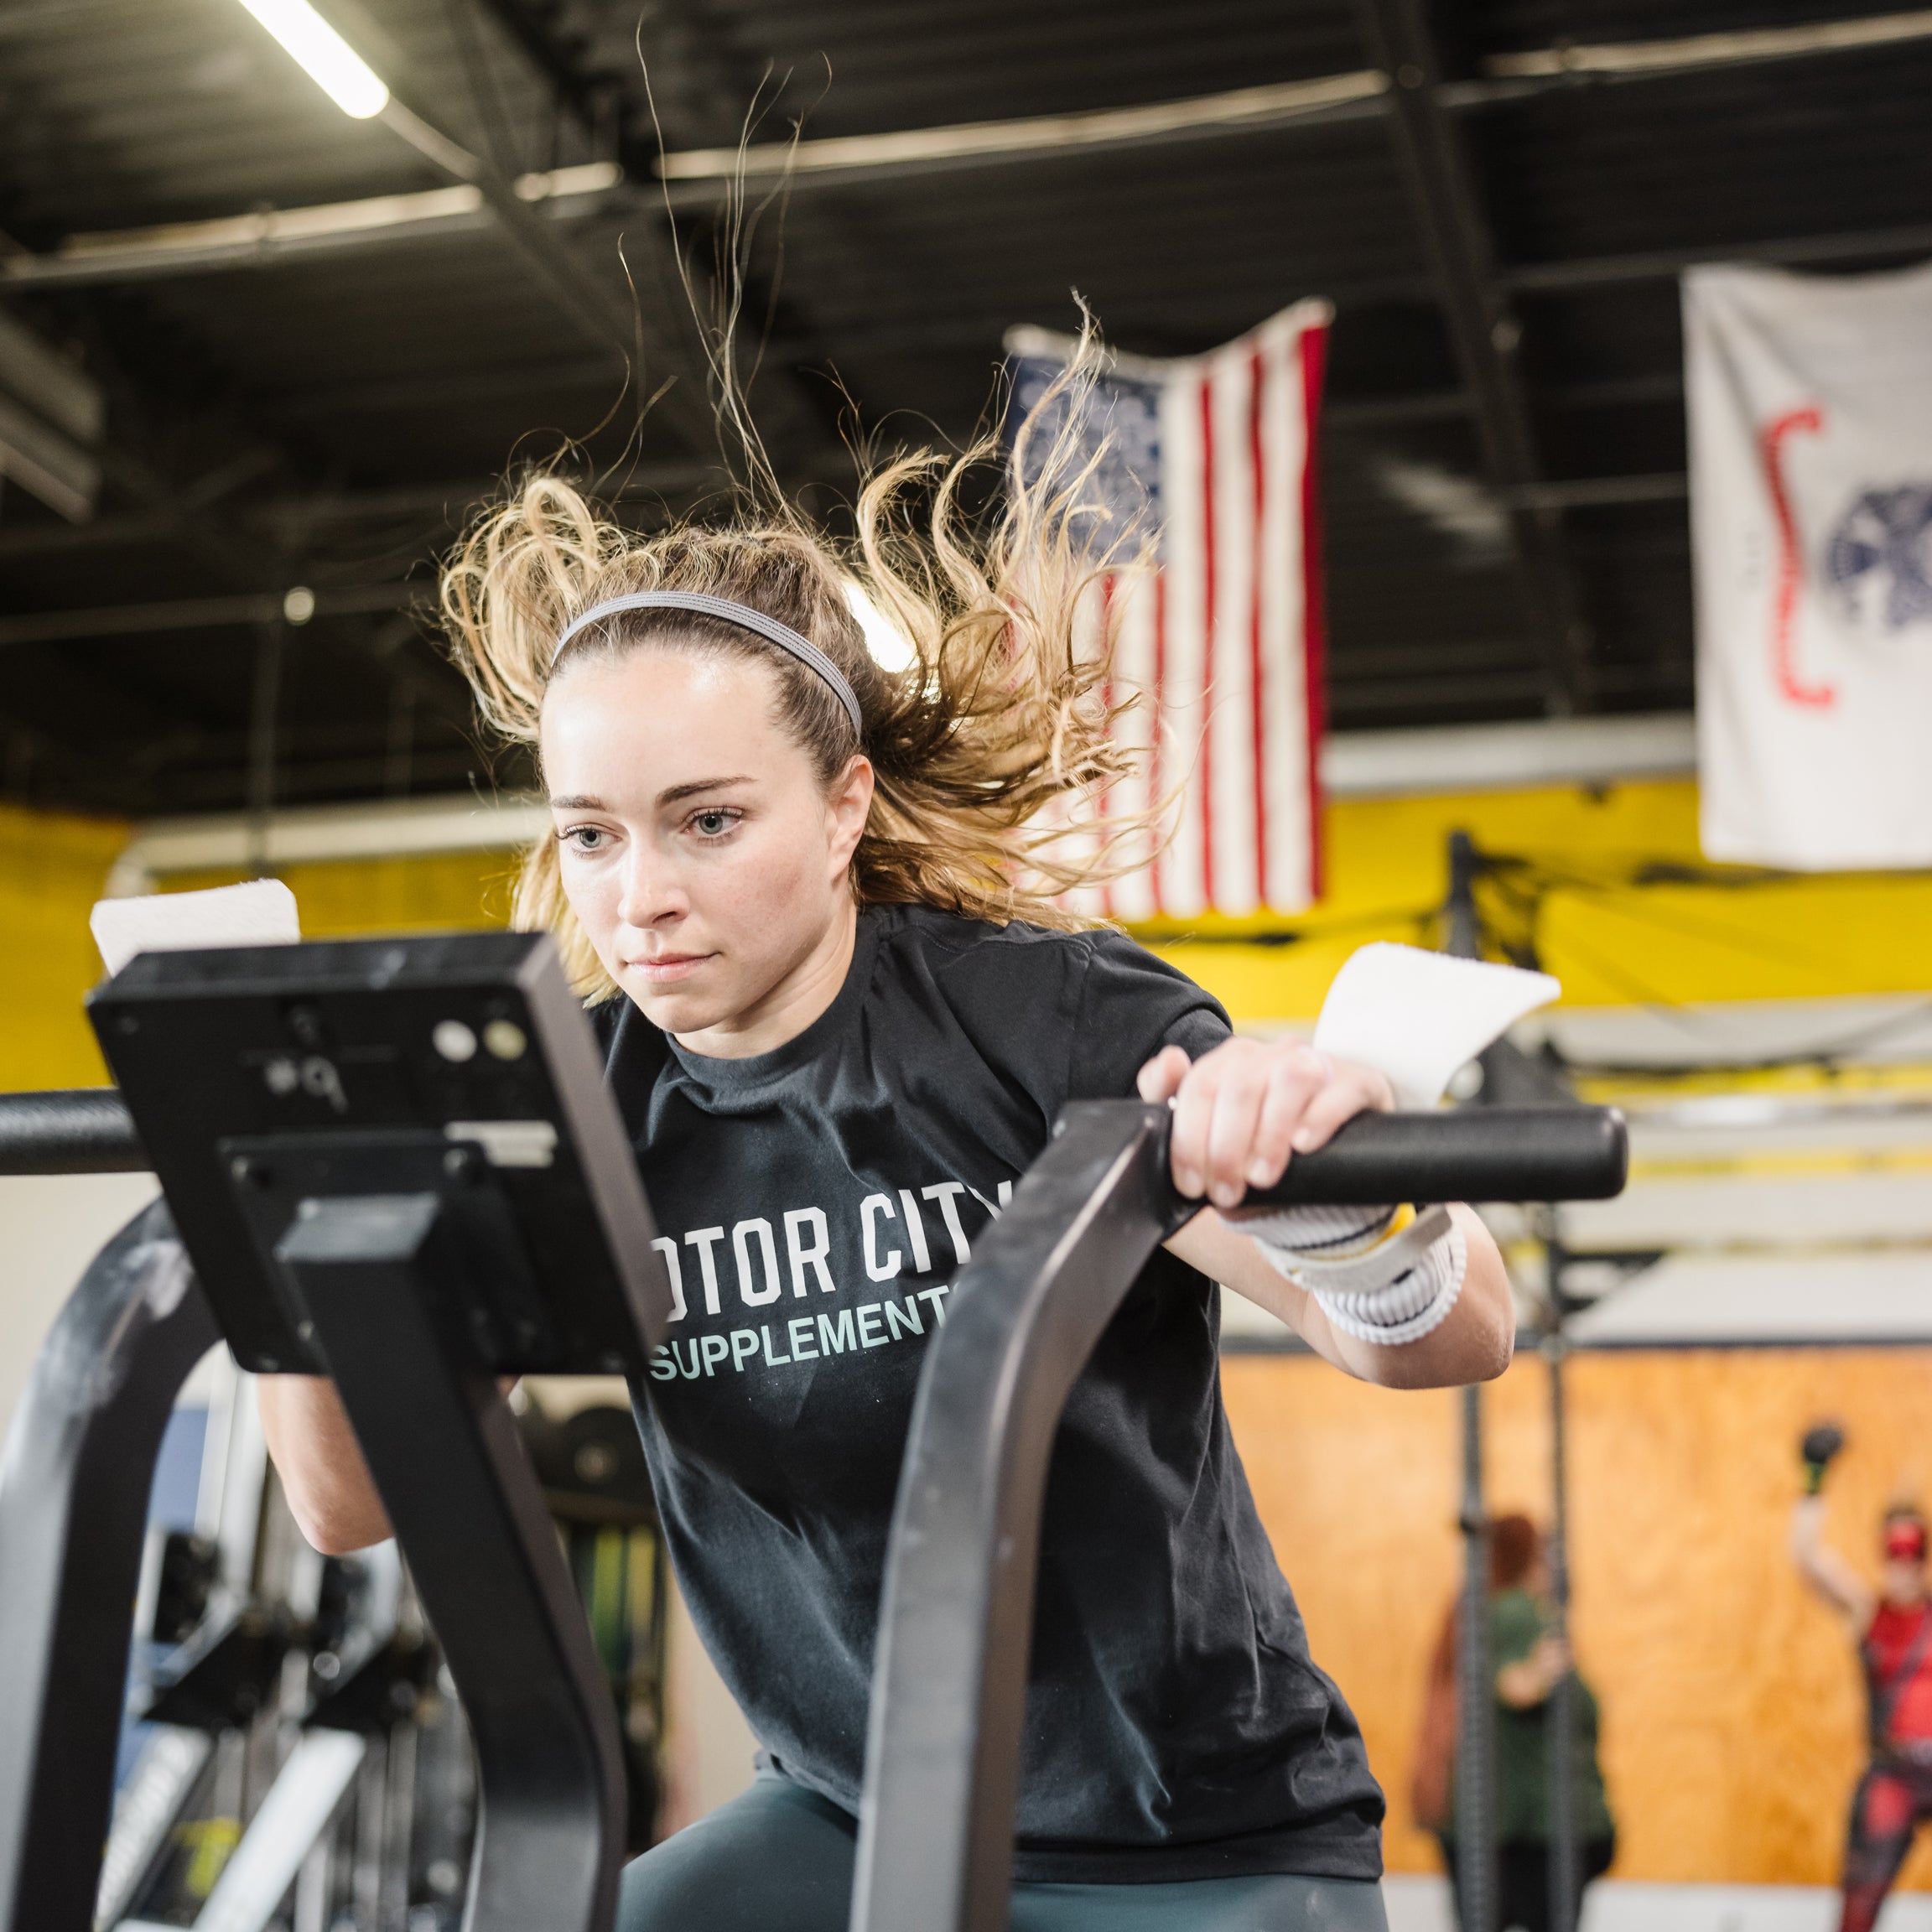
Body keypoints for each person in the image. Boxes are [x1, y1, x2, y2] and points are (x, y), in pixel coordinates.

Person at [257, 388, 1518, 1931]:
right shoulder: (569, 1105)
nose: (636, 895)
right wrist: (279, 1222)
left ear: (844, 801)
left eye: (705, 820)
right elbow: (355, 1501)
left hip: (1194, 1837)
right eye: (591, 834)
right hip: (848, 1816)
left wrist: (1337, 1202)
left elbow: (1447, 1339)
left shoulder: (1033, 1018)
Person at [1413, 1514, 1614, 1932]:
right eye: (1546, 1554)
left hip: (1486, 1829)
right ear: (1528, 1559)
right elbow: (1517, 1684)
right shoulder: (1515, 1612)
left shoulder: (1471, 1614)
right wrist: (1542, 1673)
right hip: (1528, 1837)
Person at [1790, 1423, 1932, 1932]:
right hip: (1892, 1772)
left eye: (1913, 1551)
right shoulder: (1866, 1611)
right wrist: (1813, 1477)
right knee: (1858, 1908)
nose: (1903, 1565)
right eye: (1893, 1552)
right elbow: (1808, 1560)